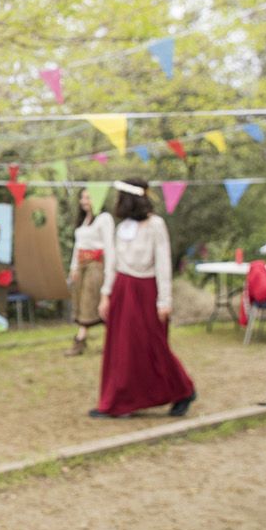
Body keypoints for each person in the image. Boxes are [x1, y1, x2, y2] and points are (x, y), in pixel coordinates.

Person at [92, 178, 196, 418]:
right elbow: (113, 264)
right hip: (122, 289)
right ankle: (119, 400)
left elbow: (162, 264)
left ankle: (183, 390)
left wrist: (164, 300)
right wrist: (105, 295)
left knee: (151, 346)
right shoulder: (122, 229)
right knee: (122, 348)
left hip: (146, 291)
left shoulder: (155, 225)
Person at [66, 188, 112, 356]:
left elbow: (109, 246)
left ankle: (86, 340)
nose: (84, 201)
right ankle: (83, 340)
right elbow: (78, 246)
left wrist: (109, 271)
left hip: (97, 265)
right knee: (81, 302)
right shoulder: (83, 221)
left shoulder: (104, 219)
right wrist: (74, 267)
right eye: (82, 197)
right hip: (82, 264)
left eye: (88, 197)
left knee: (92, 301)